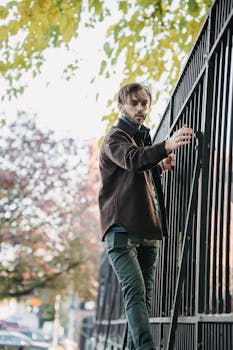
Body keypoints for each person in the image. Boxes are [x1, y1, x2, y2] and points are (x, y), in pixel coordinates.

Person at [98, 82, 192, 350]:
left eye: (144, 103)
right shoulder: (115, 138)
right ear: (121, 106)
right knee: (136, 294)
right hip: (121, 231)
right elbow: (133, 160)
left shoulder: (141, 138)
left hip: (148, 230)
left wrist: (159, 167)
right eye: (134, 103)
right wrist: (166, 146)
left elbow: (138, 176)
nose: (141, 108)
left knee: (142, 299)